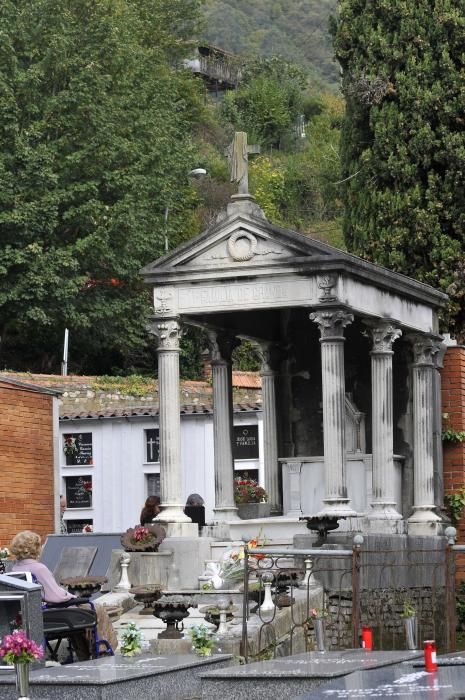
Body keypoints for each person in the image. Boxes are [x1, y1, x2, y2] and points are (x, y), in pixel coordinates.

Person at [10, 530, 117, 657]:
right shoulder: (39, 568)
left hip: (32, 616)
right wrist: (71, 596)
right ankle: (102, 648)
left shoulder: (15, 569)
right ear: (35, 548)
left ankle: (85, 653)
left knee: (81, 614)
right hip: (50, 615)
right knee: (96, 609)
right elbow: (56, 597)